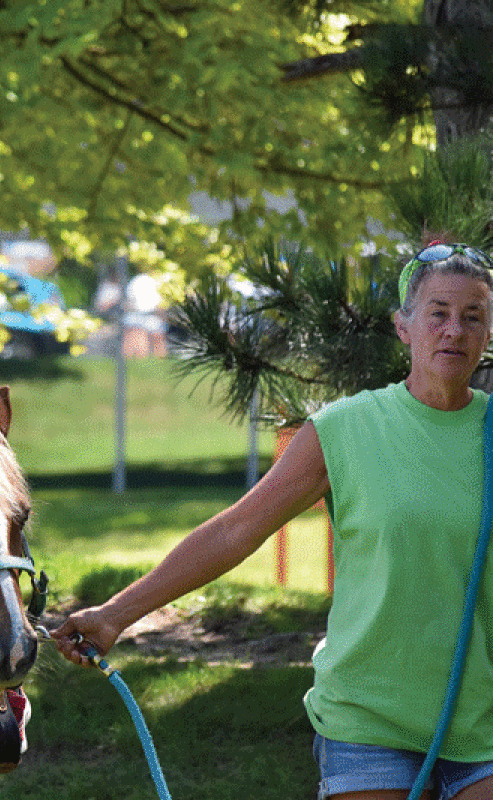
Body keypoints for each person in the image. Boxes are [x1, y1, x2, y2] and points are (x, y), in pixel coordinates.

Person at [53, 241, 493, 800]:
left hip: (482, 726)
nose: (454, 330)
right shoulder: (346, 430)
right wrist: (117, 614)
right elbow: (238, 529)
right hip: (369, 723)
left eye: (473, 316)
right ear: (404, 327)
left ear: (488, 331)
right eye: (438, 313)